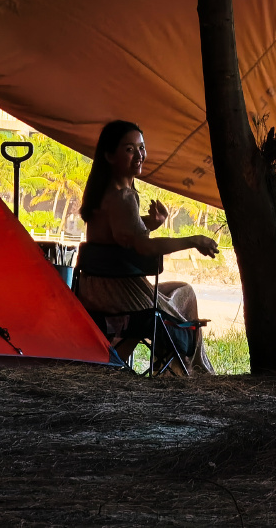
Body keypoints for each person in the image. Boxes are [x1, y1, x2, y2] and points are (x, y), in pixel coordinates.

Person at [77, 120, 219, 374]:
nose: (139, 155)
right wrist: (193, 240)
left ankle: (165, 368)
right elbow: (144, 247)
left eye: (141, 148)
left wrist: (150, 223)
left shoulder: (103, 194)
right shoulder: (123, 197)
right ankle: (188, 371)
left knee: (182, 290)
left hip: (95, 291)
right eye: (129, 149)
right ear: (110, 155)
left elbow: (120, 233)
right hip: (121, 296)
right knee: (185, 300)